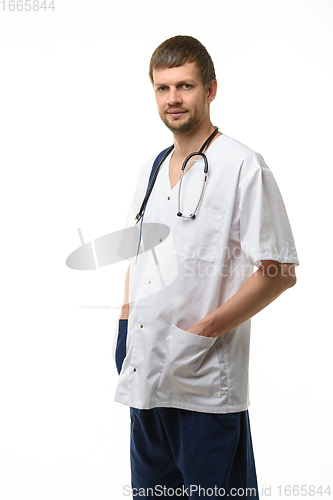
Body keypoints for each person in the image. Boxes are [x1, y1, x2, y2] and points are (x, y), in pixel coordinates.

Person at [113, 35, 299, 499]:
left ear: (211, 90)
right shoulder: (153, 169)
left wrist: (206, 329)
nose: (173, 99)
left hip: (204, 385)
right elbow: (140, 255)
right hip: (144, 381)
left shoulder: (243, 166)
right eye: (162, 88)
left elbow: (279, 270)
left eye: (185, 86)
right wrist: (122, 324)